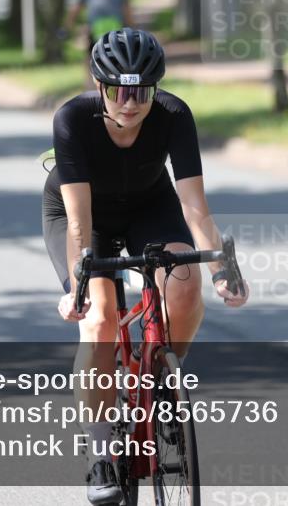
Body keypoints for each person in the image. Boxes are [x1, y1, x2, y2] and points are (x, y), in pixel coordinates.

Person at [43, 28, 249, 504]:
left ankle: (160, 383)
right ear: (100, 87)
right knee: (100, 319)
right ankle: (99, 454)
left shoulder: (175, 115)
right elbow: (78, 222)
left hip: (147, 206)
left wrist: (222, 270)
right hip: (83, 214)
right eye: (119, 91)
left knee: (183, 283)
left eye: (142, 92)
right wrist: (79, 285)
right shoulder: (72, 120)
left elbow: (194, 207)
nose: (130, 103)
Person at [66, 0, 133, 57]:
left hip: (96, 29)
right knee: (120, 55)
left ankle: (89, 70)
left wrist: (69, 26)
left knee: (90, 55)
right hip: (116, 28)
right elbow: (127, 11)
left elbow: (75, 11)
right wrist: (131, 27)